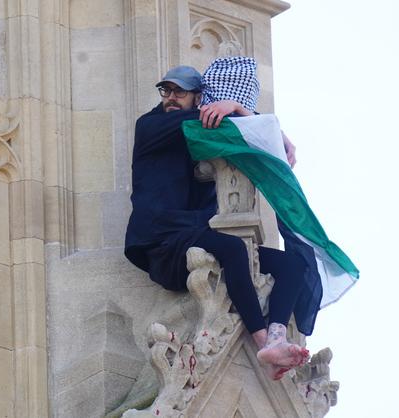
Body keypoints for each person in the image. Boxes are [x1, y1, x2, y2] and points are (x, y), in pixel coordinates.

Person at [124, 64, 317, 380]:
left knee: (293, 266)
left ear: (198, 96)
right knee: (233, 249)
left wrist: (250, 118)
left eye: (180, 92)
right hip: (162, 242)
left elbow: (231, 129)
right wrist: (240, 109)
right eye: (166, 91)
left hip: (191, 233)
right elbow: (226, 124)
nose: (171, 98)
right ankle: (260, 341)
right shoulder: (152, 125)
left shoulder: (194, 128)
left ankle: (276, 336)